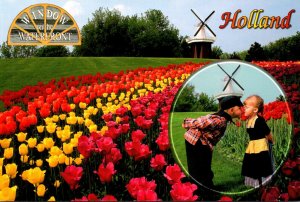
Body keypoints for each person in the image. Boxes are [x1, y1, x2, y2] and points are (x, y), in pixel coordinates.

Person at [182, 95, 243, 188]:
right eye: (239, 108)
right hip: (197, 142)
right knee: (201, 168)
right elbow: (200, 123)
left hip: (198, 141)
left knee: (197, 167)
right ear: (231, 110)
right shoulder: (220, 120)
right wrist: (187, 122)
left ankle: (197, 187)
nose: (242, 110)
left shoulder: (223, 119)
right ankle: (204, 190)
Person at [241, 95, 274, 188]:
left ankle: (263, 182)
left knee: (260, 162)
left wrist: (271, 141)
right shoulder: (248, 121)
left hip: (260, 145)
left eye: (246, 107)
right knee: (251, 162)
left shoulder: (259, 120)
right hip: (252, 145)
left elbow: (268, 132)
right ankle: (253, 181)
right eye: (244, 107)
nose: (244, 109)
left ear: (255, 110)